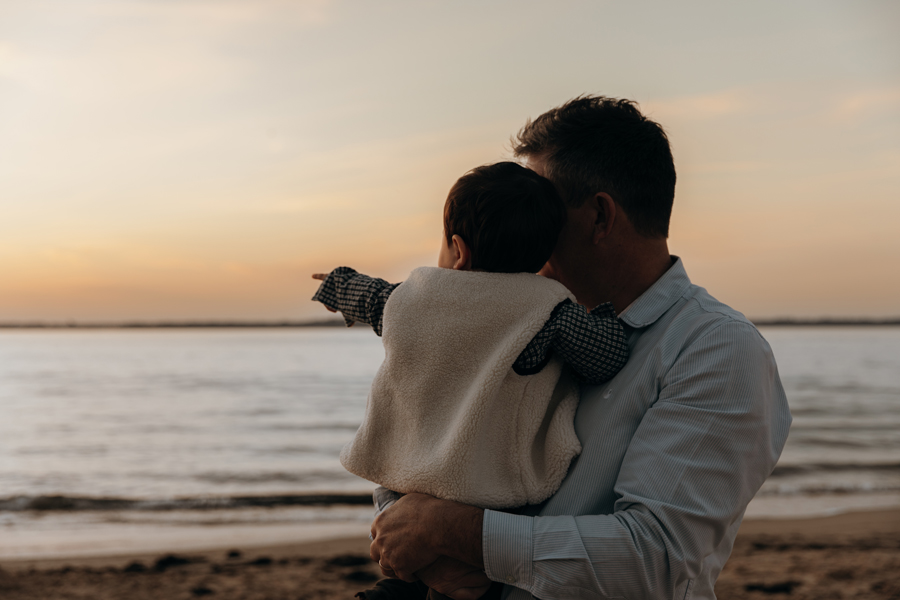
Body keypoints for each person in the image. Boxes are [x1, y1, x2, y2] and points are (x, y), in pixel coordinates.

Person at [367, 96, 792, 600]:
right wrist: (422, 544)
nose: (515, 233)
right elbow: (423, 450)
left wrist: (462, 536)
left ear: (599, 217)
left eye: (537, 211)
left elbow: (656, 559)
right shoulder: (524, 323)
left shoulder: (716, 349)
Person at [311, 161, 631, 599]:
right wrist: (606, 315)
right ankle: (448, 578)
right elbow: (604, 359)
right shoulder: (547, 311)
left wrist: (335, 283)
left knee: (388, 500)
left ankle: (430, 572)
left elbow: (369, 295)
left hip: (408, 485)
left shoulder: (412, 299)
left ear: (457, 250)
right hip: (492, 497)